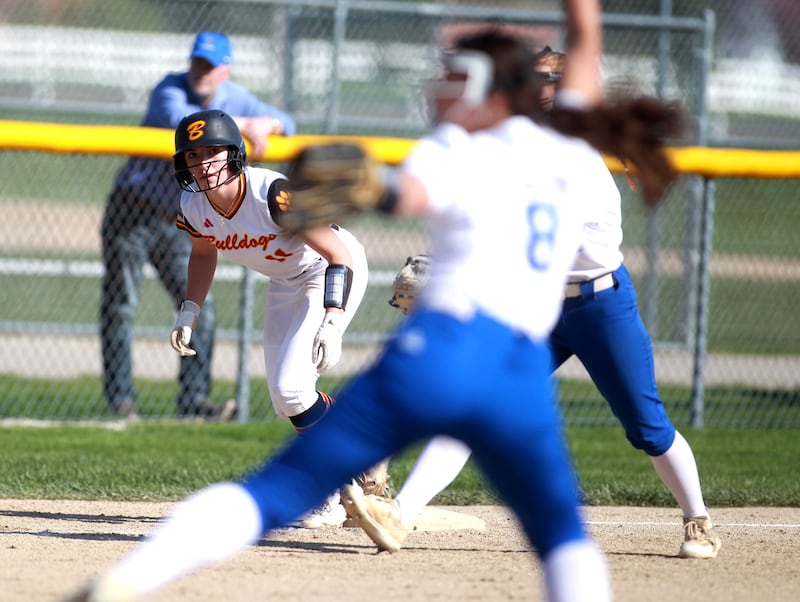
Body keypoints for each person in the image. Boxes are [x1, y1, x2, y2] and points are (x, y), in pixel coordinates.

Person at [62, 1, 681, 598]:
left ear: (489, 93)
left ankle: (125, 582)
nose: (439, 87)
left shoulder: (457, 146)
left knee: (279, 488)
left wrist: (367, 184)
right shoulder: (570, 148)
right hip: (518, 370)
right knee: (562, 538)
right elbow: (585, 34)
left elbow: (400, 195)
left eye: (455, 77)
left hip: (439, 351)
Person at [344, 47, 721, 561]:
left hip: (598, 305)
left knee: (646, 426)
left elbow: (530, 242)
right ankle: (400, 516)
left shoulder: (577, 165)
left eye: (548, 80)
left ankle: (697, 519)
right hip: (539, 305)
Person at [169, 108, 374, 527]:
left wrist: (333, 321)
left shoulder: (271, 194)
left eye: (213, 152)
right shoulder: (192, 204)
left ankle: (331, 492)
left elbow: (341, 254)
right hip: (285, 282)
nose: (204, 163)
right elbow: (204, 252)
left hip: (325, 271)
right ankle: (364, 442)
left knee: (293, 390)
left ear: (234, 154)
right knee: (287, 401)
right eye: (193, 156)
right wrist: (189, 310)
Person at [100, 31, 296, 420]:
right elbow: (184, 124)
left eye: (209, 66)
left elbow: (287, 123)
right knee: (122, 306)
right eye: (196, 63)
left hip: (183, 221)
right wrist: (246, 126)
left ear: (226, 70)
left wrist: (268, 123)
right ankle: (121, 401)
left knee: (198, 305)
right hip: (133, 212)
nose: (200, 72)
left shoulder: (234, 96)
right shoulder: (169, 89)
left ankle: (193, 401)